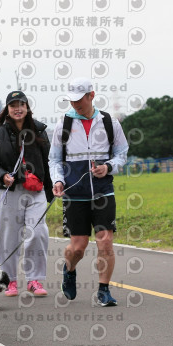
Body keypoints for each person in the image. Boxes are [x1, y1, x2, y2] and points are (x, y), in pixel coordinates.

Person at [49, 77, 129, 307]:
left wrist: (109, 167)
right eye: (71, 100)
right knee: (78, 247)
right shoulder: (63, 125)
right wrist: (58, 180)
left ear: (91, 95)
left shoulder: (109, 122)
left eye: (79, 100)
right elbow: (54, 160)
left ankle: (104, 290)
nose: (75, 104)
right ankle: (69, 269)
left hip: (103, 192)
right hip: (74, 194)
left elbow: (122, 154)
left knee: (105, 241)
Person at [0, 90, 53, 297]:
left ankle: (34, 280)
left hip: (36, 191)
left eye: (21, 104)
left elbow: (49, 161)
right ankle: (10, 280)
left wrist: (53, 188)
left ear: (27, 107)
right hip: (10, 191)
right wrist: (2, 175)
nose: (18, 109)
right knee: (8, 237)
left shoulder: (39, 130)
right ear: (7, 109)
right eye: (13, 105)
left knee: (37, 232)